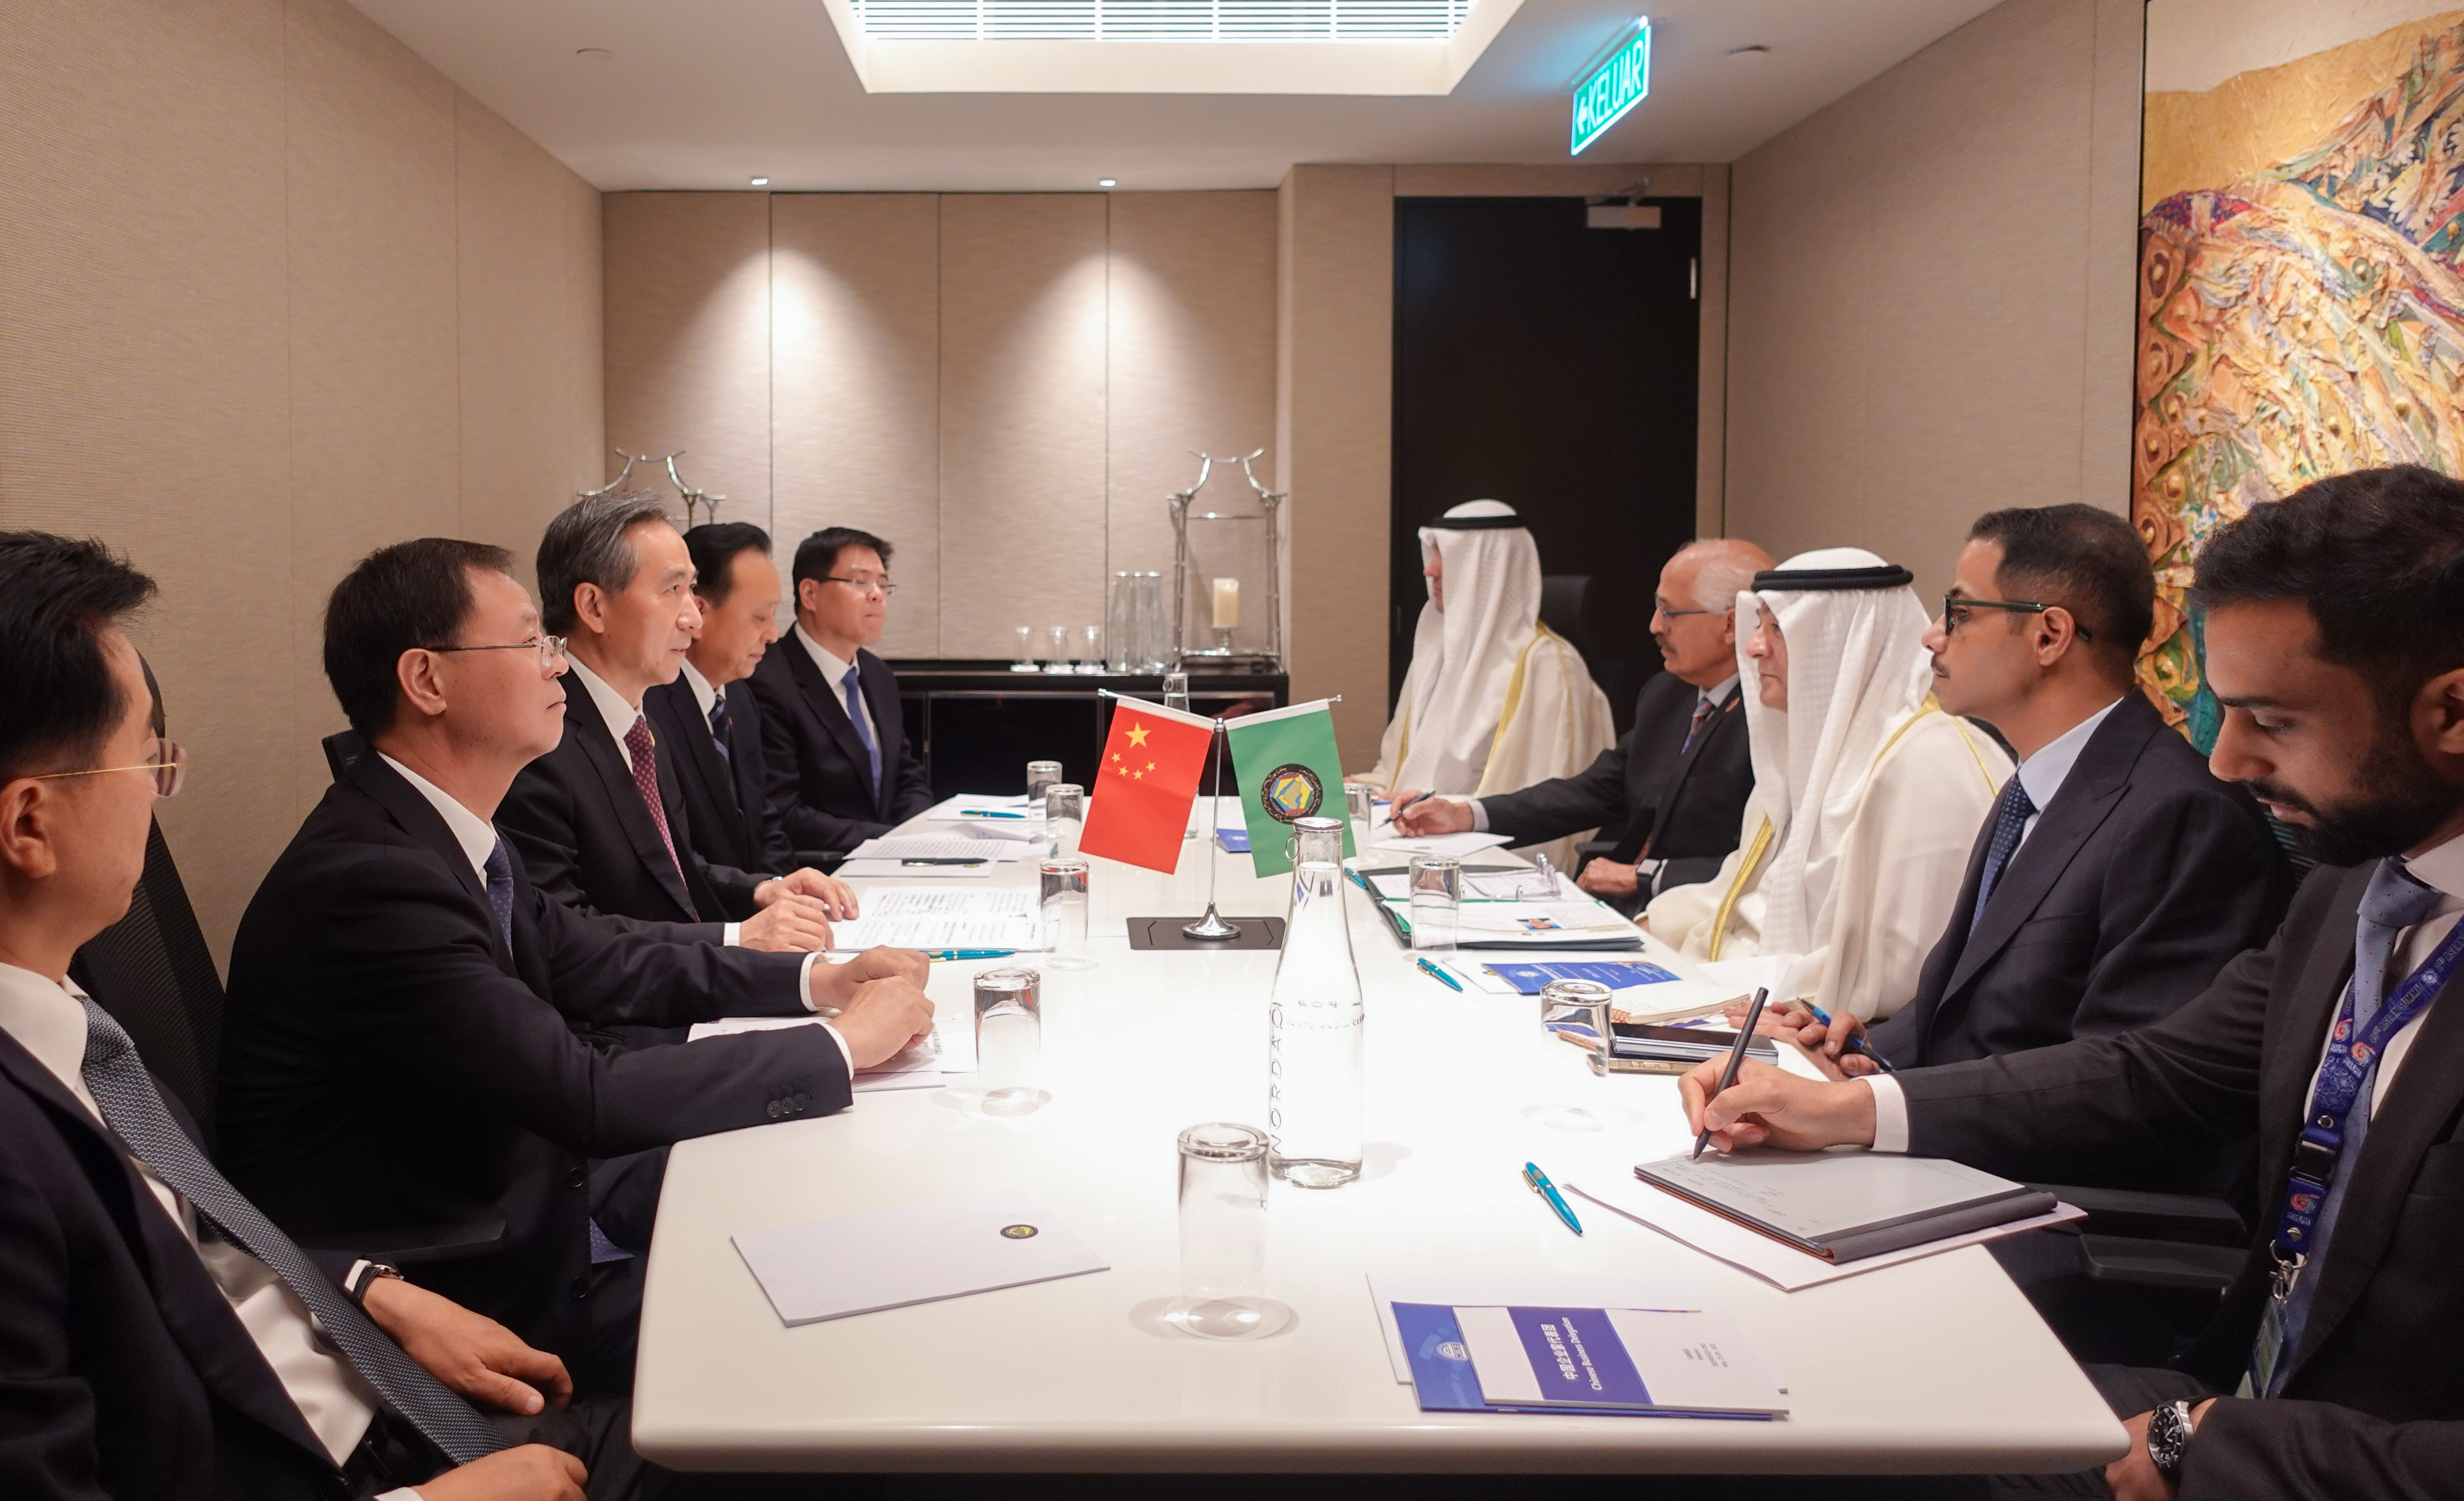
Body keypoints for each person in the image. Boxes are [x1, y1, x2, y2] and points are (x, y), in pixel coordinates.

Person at [1683, 465, 2464, 1500]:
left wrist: (2210, 1444)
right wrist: (1846, 1109)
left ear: (2453, 711)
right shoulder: (2356, 892)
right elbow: (2153, 1070)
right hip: (2225, 1393)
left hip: (2310, 1453)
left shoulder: (2252, 839)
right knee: (1765, 1408)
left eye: (2271, 720)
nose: (2225, 761)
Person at [219, 538, 936, 1398]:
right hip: (483, 1265)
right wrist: (844, 1044)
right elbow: (584, 1092)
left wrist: (817, 981)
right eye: (530, 641)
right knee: (854, 1312)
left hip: (533, 1182)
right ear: (427, 679)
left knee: (846, 1188)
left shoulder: (440, 829)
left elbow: (601, 956)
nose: (556, 662)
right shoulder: (373, 880)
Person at [0, 531, 612, 1500]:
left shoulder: (74, 1025)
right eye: (147, 759)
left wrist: (363, 1283)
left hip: (387, 1384)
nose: (160, 793)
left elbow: (184, 1234)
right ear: (30, 823)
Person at [1770, 506, 2291, 1072]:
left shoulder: (2183, 816)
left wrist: (1884, 1105)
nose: (1932, 635)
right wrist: (1858, 1053)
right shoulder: (2035, 782)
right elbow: (1962, 1011)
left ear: (2049, 635)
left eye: (1960, 612)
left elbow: (2118, 1078)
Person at [1646, 548, 2012, 1022]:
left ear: (1840, 642)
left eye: (1777, 628)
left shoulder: (1931, 762)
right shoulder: (1807, 755)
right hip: (1755, 996)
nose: (1754, 647)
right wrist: (1644, 931)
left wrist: (1723, 989)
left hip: (1836, 1036)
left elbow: (1902, 973)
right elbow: (1739, 898)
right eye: (1759, 625)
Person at [498, 497, 851, 948]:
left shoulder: (639, 723)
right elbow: (563, 935)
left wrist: (762, 889)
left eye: (692, 589)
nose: (694, 618)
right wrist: (737, 937)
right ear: (594, 606)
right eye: (672, 590)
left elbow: (674, 869)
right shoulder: (540, 738)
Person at [1389, 537, 1770, 913]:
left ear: (1730, 625)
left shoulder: (1771, 717)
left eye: (1670, 613)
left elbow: (1768, 857)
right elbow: (1597, 790)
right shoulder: (1668, 693)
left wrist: (1645, 876)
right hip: (1625, 907)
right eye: (1657, 608)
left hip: (1703, 917)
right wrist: (1466, 814)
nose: (1655, 626)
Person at [1358, 500, 1616, 870]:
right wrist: (1362, 789)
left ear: (1489, 568)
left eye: (1447, 556)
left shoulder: (1548, 667)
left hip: (1484, 862)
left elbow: (1544, 808)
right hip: (1409, 838)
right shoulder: (1435, 649)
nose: (1429, 570)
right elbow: (1404, 769)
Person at [747, 526, 932, 856]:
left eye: (883, 584)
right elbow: (784, 813)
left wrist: (917, 838)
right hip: (819, 869)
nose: (876, 595)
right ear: (810, 594)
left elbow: (906, 777)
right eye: (860, 582)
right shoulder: (767, 681)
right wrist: (889, 843)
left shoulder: (877, 674)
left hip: (894, 861)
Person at [643, 522, 796, 885]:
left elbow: (764, 821)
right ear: (698, 611)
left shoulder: (740, 697)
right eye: (760, 617)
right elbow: (676, 855)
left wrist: (785, 887)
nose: (773, 634)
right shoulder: (649, 707)